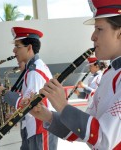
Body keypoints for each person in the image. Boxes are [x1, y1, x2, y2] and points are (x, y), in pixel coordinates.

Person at [30, 0, 121, 149]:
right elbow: (85, 130)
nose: (93, 36)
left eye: (99, 29)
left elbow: (103, 139)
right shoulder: (110, 73)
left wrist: (63, 106)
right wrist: (46, 115)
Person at [0, 27, 58, 150]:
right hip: (33, 127)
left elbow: (29, 104)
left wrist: (3, 92)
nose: (14, 50)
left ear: (29, 48)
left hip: (40, 129)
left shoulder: (35, 71)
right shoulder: (31, 69)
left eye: (17, 46)